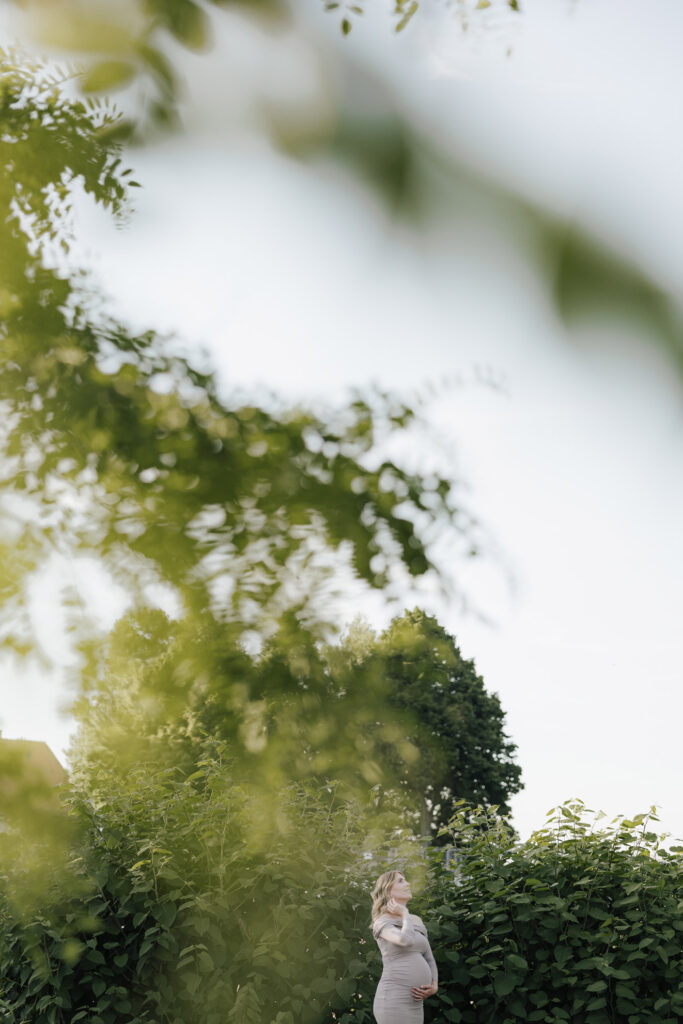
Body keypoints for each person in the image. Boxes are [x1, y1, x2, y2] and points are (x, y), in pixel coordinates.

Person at [370, 870, 438, 1024]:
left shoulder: (416, 920)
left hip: (415, 1002)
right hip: (393, 1000)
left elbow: (429, 957)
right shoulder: (381, 922)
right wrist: (404, 914)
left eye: (406, 880)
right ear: (387, 891)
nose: (407, 884)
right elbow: (405, 940)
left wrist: (434, 986)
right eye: (401, 881)